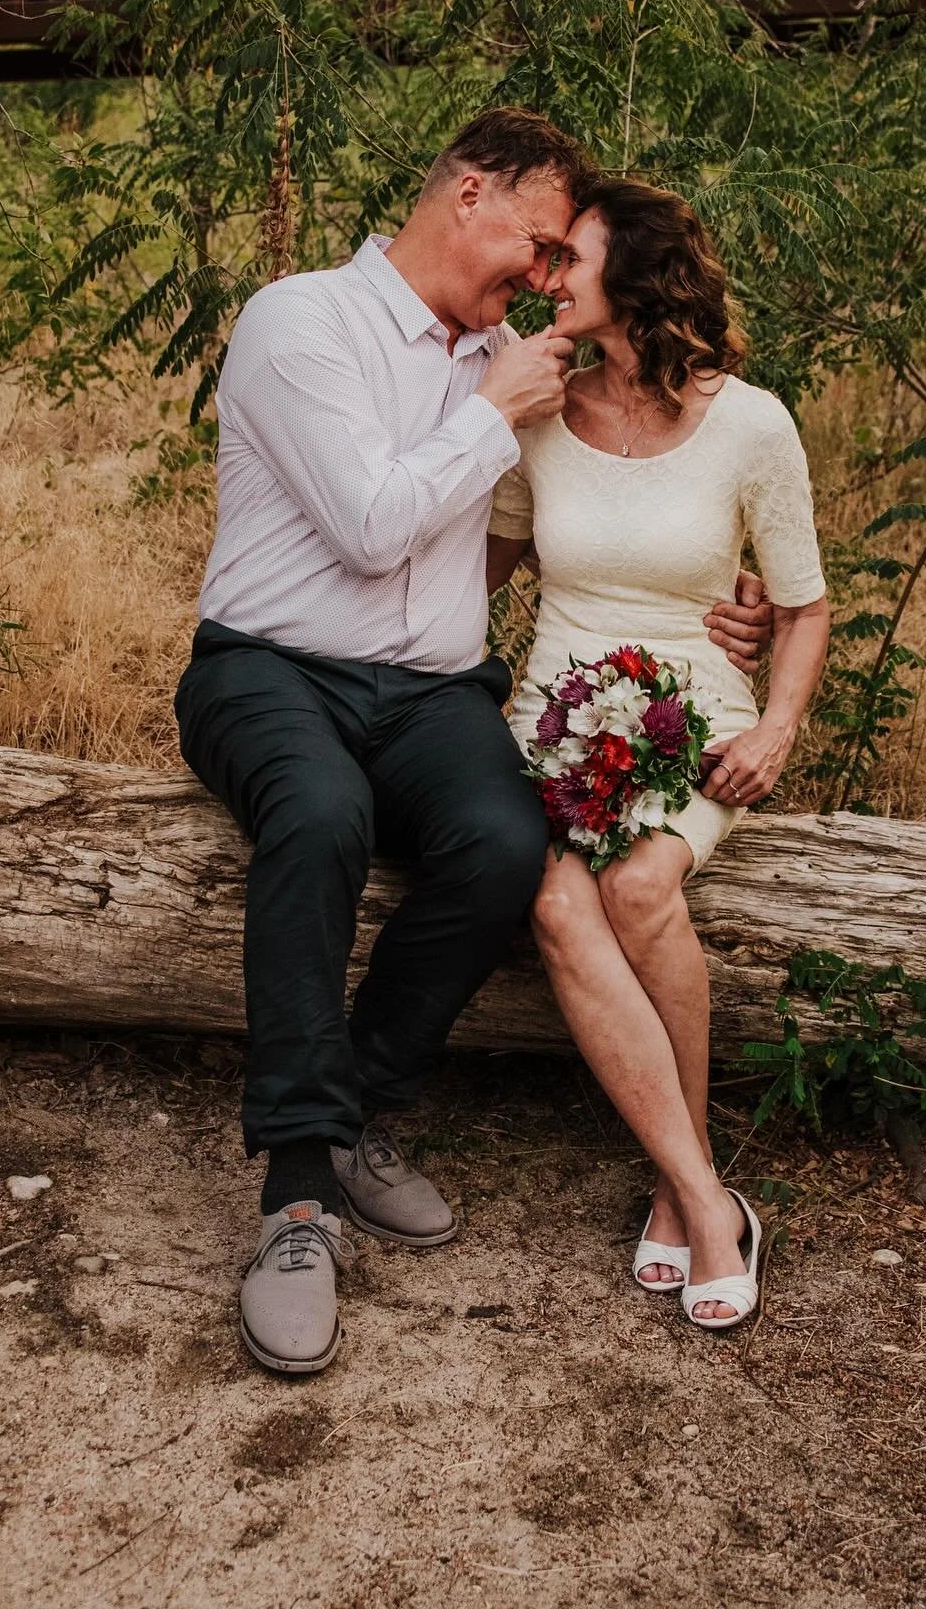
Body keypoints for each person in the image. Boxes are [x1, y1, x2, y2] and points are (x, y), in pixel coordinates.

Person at [174, 111, 774, 1375]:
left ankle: (359, 1111)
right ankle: (296, 1198)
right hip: (271, 669)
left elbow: (580, 520)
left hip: (432, 691)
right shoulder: (303, 322)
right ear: (467, 198)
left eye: (562, 257)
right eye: (538, 243)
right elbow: (369, 527)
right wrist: (492, 411)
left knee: (507, 846)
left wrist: (726, 606)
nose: (547, 276)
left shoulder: (512, 362)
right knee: (321, 815)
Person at [487, 179, 830, 1331]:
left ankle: (686, 1196)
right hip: (554, 718)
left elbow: (805, 606)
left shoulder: (752, 424)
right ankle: (701, 1194)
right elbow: (478, 568)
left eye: (569, 259)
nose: (547, 278)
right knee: (554, 901)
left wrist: (775, 727)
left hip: (697, 711)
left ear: (633, 274)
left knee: (639, 887)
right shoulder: (538, 407)